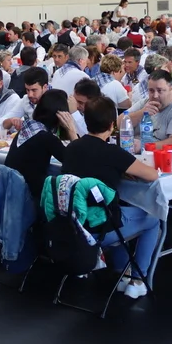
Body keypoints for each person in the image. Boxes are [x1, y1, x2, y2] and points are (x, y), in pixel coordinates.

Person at [61, 96, 160, 300]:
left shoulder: (71, 148)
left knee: (115, 213)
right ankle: (138, 281)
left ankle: (122, 273)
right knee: (153, 218)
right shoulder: (113, 152)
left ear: (86, 120)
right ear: (112, 125)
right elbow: (152, 175)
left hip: (72, 224)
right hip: (100, 229)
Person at [5, 89, 77, 200]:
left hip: (11, 190)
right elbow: (74, 160)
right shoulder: (46, 137)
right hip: (30, 196)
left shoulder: (26, 128)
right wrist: (71, 129)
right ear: (60, 116)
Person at [125, 70, 172, 148]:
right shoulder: (145, 103)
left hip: (159, 154)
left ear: (171, 89)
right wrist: (141, 113)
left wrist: (143, 146)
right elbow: (119, 123)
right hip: (132, 150)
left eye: (160, 90)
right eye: (151, 91)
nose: (155, 95)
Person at [2, 66, 49, 131]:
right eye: (27, 90)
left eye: (34, 90)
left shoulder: (55, 101)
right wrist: (12, 120)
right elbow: (4, 123)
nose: (30, 95)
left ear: (45, 87)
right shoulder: (26, 100)